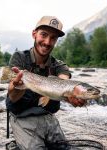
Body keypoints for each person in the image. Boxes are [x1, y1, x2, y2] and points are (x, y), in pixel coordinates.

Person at [6, 16, 86, 150]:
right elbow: (13, 97)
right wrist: (17, 86)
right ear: (34, 34)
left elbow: (64, 83)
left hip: (47, 117)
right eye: (44, 35)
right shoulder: (19, 58)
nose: (47, 42)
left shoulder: (60, 66)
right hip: (21, 118)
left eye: (53, 38)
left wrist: (71, 96)